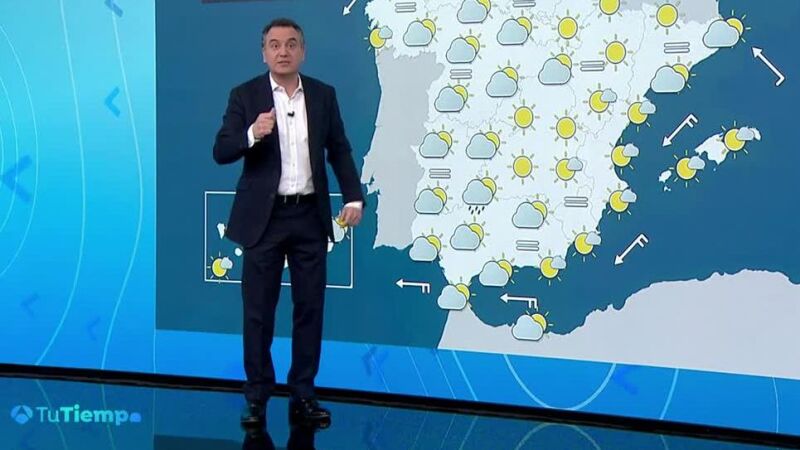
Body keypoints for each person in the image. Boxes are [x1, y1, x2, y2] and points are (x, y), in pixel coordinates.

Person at [213, 18, 364, 428]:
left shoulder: (323, 95)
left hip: (309, 216)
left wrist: (353, 196)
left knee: (310, 309)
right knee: (258, 312)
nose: (283, 51)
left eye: (291, 44)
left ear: (303, 51)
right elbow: (221, 150)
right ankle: (257, 396)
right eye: (275, 44)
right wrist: (251, 133)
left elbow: (339, 150)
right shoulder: (245, 95)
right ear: (263, 53)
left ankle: (303, 394)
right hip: (264, 219)